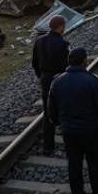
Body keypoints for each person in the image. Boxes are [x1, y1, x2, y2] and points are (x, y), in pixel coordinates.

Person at [47, 48, 98, 194]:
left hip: (69, 132)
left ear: (69, 61)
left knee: (74, 166)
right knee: (95, 165)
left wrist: (57, 122)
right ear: (84, 61)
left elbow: (52, 107)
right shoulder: (91, 81)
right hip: (90, 130)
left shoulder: (57, 81)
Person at [32, 15, 70, 156]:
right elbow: (65, 66)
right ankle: (69, 143)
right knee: (64, 110)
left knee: (48, 112)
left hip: (46, 78)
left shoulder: (39, 41)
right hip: (59, 79)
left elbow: (35, 61)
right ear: (60, 27)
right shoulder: (62, 44)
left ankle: (48, 147)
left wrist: (39, 75)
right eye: (63, 26)